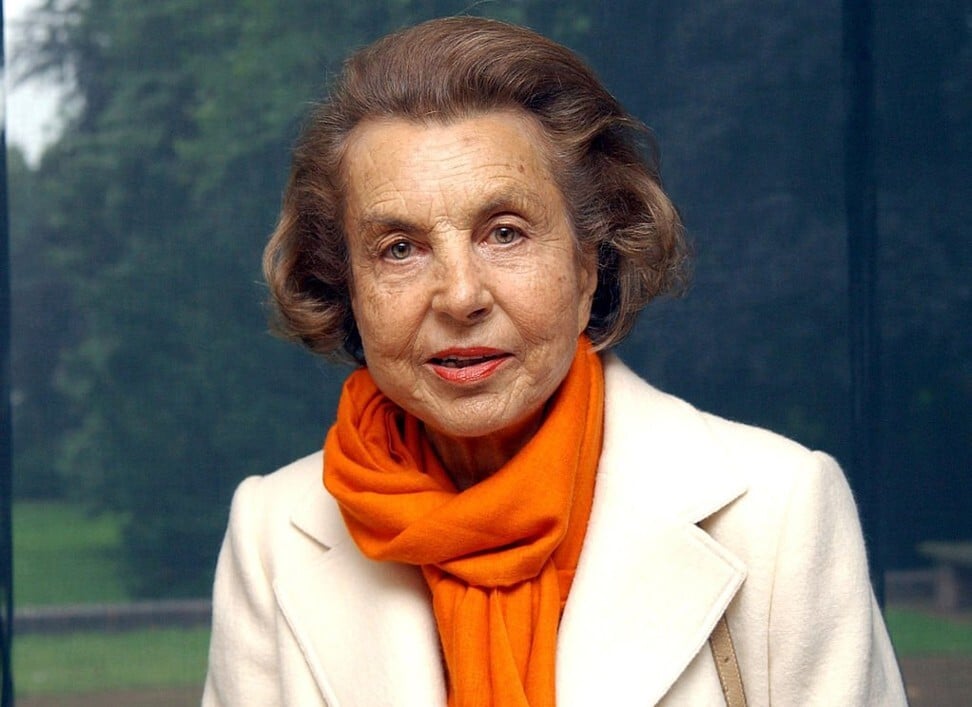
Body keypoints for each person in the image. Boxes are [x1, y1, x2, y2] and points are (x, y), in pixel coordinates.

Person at [203, 16, 907, 707]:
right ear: (348, 286)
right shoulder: (271, 532)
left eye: (505, 233)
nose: (461, 295)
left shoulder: (780, 511)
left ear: (589, 264)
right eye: (400, 249)